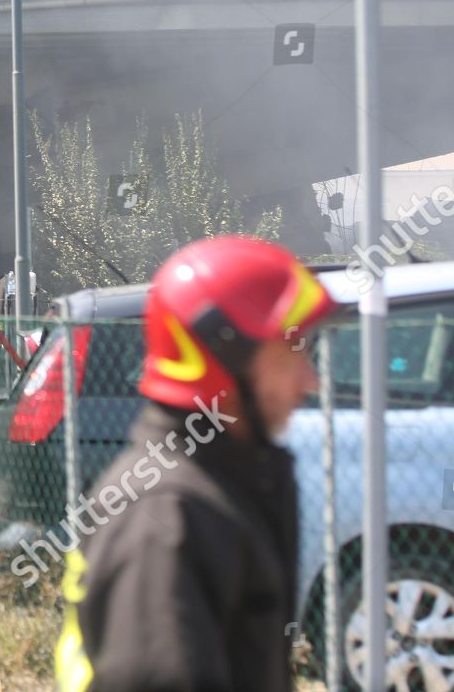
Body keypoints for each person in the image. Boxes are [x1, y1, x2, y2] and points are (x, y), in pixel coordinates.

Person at [53, 235, 338, 692]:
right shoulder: (167, 520)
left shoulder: (221, 486)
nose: (310, 381)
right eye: (292, 354)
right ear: (222, 355)